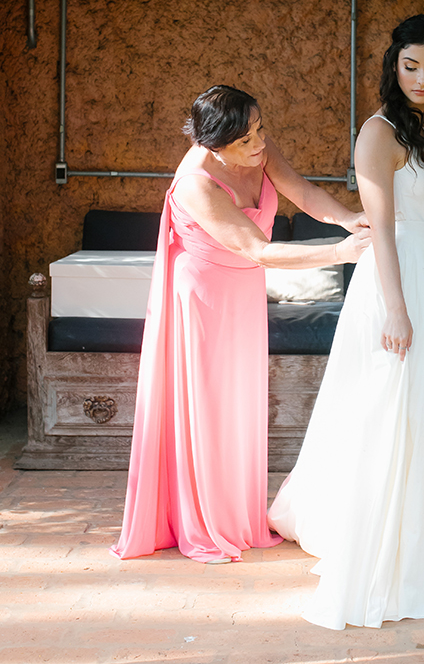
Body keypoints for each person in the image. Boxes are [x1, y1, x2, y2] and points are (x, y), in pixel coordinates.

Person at [268, 15, 424, 629]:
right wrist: (396, 307)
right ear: (392, 65)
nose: (421, 78)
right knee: (390, 403)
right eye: (410, 66)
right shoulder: (377, 133)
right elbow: (380, 229)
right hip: (394, 275)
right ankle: (382, 536)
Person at [111, 85, 369, 564]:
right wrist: (340, 254)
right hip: (204, 300)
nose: (259, 143)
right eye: (247, 139)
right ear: (216, 145)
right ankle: (204, 521)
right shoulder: (197, 183)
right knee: (209, 407)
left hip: (243, 295)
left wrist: (348, 220)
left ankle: (240, 515)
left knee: (242, 404)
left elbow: (305, 192)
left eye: (260, 129)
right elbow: (260, 250)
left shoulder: (257, 149)